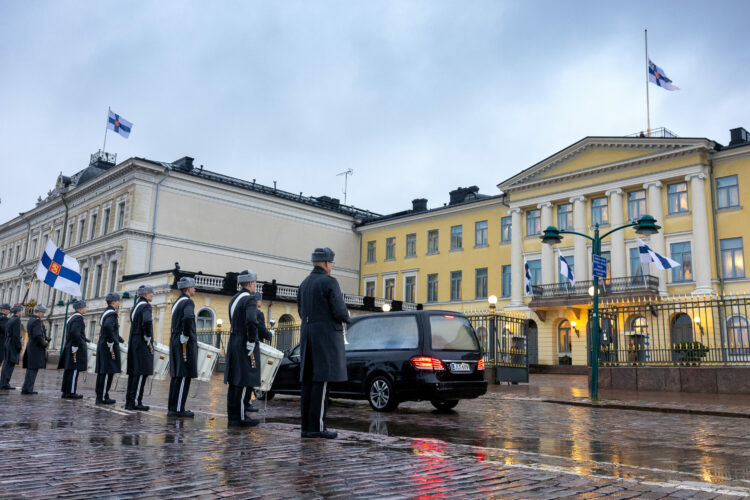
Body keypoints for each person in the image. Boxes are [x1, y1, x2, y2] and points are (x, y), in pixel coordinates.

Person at [297, 247, 350, 439]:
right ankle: (317, 427)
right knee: (321, 382)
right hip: (325, 338)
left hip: (307, 337)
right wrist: (347, 318)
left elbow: (301, 312)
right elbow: (339, 310)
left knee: (308, 383)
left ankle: (306, 427)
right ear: (327, 263)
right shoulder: (329, 282)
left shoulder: (304, 284)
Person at [226, 270, 263, 427]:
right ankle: (240, 417)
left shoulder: (234, 299)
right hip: (243, 341)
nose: (255, 286)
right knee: (243, 378)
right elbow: (251, 320)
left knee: (234, 381)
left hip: (233, 340)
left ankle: (233, 416)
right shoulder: (249, 299)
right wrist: (252, 339)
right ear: (250, 283)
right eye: (255, 283)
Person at [168, 277, 198, 418]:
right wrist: (186, 334)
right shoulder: (187, 302)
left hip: (175, 339)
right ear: (188, 288)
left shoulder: (176, 302)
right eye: (193, 286)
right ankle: (178, 408)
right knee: (184, 375)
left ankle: (173, 407)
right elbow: (187, 318)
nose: (194, 289)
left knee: (177, 376)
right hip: (183, 341)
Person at [242, 291, 274, 418]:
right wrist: (270, 334)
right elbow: (261, 329)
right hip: (254, 345)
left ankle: (246, 401)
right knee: (253, 373)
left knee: (248, 373)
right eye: (260, 299)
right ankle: (247, 402)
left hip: (244, 345)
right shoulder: (258, 313)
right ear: (258, 301)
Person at [126, 285, 155, 411]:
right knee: (140, 371)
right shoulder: (146, 306)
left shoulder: (135, 307)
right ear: (145, 294)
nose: (152, 295)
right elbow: (147, 321)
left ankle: (129, 401)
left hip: (134, 339)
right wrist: (148, 336)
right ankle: (136, 402)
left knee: (133, 372)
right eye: (151, 293)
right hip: (142, 341)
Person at [95, 293, 124, 405]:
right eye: (117, 301)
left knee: (103, 372)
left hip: (103, 344)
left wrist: (120, 339)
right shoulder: (112, 314)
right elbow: (108, 327)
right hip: (108, 346)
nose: (118, 303)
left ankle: (102, 394)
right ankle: (102, 397)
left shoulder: (105, 312)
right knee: (107, 371)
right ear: (113, 302)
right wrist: (112, 341)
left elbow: (111, 329)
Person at [58, 300, 88, 399]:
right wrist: (80, 343)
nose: (85, 309)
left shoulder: (71, 318)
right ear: (80, 308)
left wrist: (85, 339)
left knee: (69, 370)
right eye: (84, 307)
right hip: (75, 348)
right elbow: (75, 333)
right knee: (74, 370)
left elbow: (76, 333)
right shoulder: (78, 318)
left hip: (70, 345)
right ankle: (71, 392)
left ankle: (65, 391)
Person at [21, 304, 50, 395]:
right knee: (33, 369)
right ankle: (28, 389)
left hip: (32, 346)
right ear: (39, 312)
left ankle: (26, 388)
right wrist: (44, 343)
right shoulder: (37, 321)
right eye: (43, 312)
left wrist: (46, 338)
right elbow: (37, 335)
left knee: (31, 369)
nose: (44, 314)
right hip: (36, 348)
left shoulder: (31, 320)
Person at [0, 305, 23, 390]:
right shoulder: (16, 320)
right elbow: (16, 335)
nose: (22, 312)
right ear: (18, 311)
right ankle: (5, 383)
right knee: (10, 364)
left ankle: (3, 383)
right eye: (21, 311)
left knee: (6, 363)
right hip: (12, 344)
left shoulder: (10, 319)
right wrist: (19, 346)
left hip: (7, 343)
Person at [0, 303, 9, 371]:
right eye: (8, 309)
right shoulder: (4, 319)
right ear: (4, 310)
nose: (9, 311)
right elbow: (6, 330)